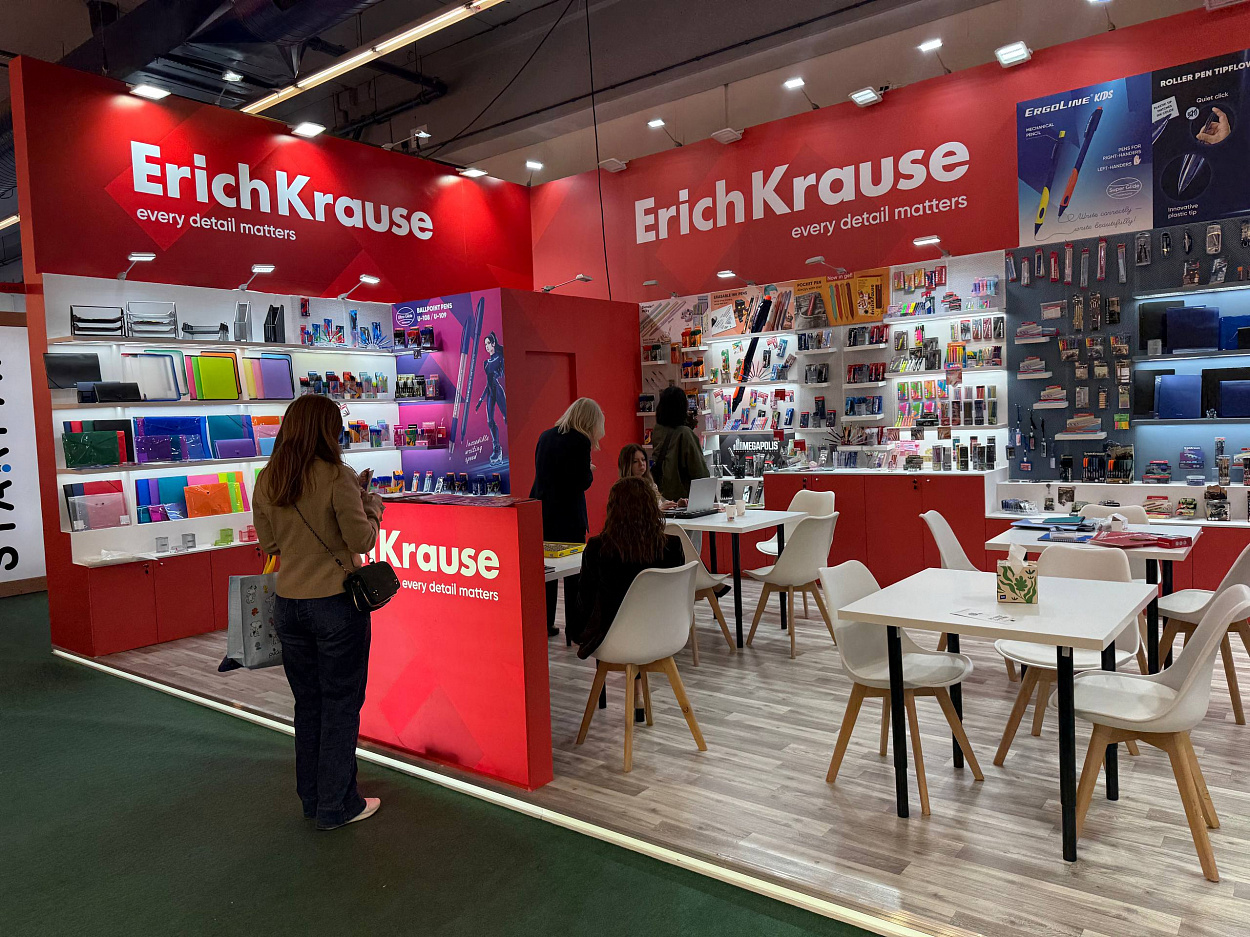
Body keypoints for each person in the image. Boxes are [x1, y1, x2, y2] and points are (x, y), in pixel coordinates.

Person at [253, 394, 384, 831]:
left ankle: (313, 799)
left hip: (289, 604)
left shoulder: (268, 477)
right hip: (336, 604)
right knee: (342, 705)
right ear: (328, 430)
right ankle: (338, 805)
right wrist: (371, 506)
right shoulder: (336, 476)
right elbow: (362, 540)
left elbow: (270, 545)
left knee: (308, 705)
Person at [572, 476, 686, 658]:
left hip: (613, 636)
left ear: (613, 508)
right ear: (652, 507)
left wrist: (578, 632)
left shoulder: (598, 547)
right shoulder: (672, 545)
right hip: (664, 632)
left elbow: (586, 599)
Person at [530, 397, 604, 637]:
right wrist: (589, 470)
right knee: (574, 572)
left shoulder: (545, 436)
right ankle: (575, 625)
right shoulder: (580, 441)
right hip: (569, 517)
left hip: (543, 513)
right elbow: (581, 481)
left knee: (547, 573)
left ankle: (545, 623)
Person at [650, 384, 710, 504]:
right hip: (684, 499)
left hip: (664, 498)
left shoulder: (657, 430)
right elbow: (699, 471)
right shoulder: (685, 433)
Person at [474, 331, 506, 464]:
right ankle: (497, 449)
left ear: (493, 343)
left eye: (488, 343)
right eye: (485, 344)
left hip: (498, 391)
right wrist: (480, 400)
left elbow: (501, 374)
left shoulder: (500, 357)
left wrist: (496, 374)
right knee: (490, 421)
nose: (486, 346)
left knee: (506, 417)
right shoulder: (486, 363)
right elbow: (488, 384)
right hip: (490, 393)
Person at [617, 443, 677, 510]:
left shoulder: (650, 484)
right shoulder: (623, 489)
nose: (641, 464)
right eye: (635, 461)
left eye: (643, 459)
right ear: (627, 465)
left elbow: (660, 503)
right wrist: (659, 509)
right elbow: (634, 513)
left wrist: (676, 505)